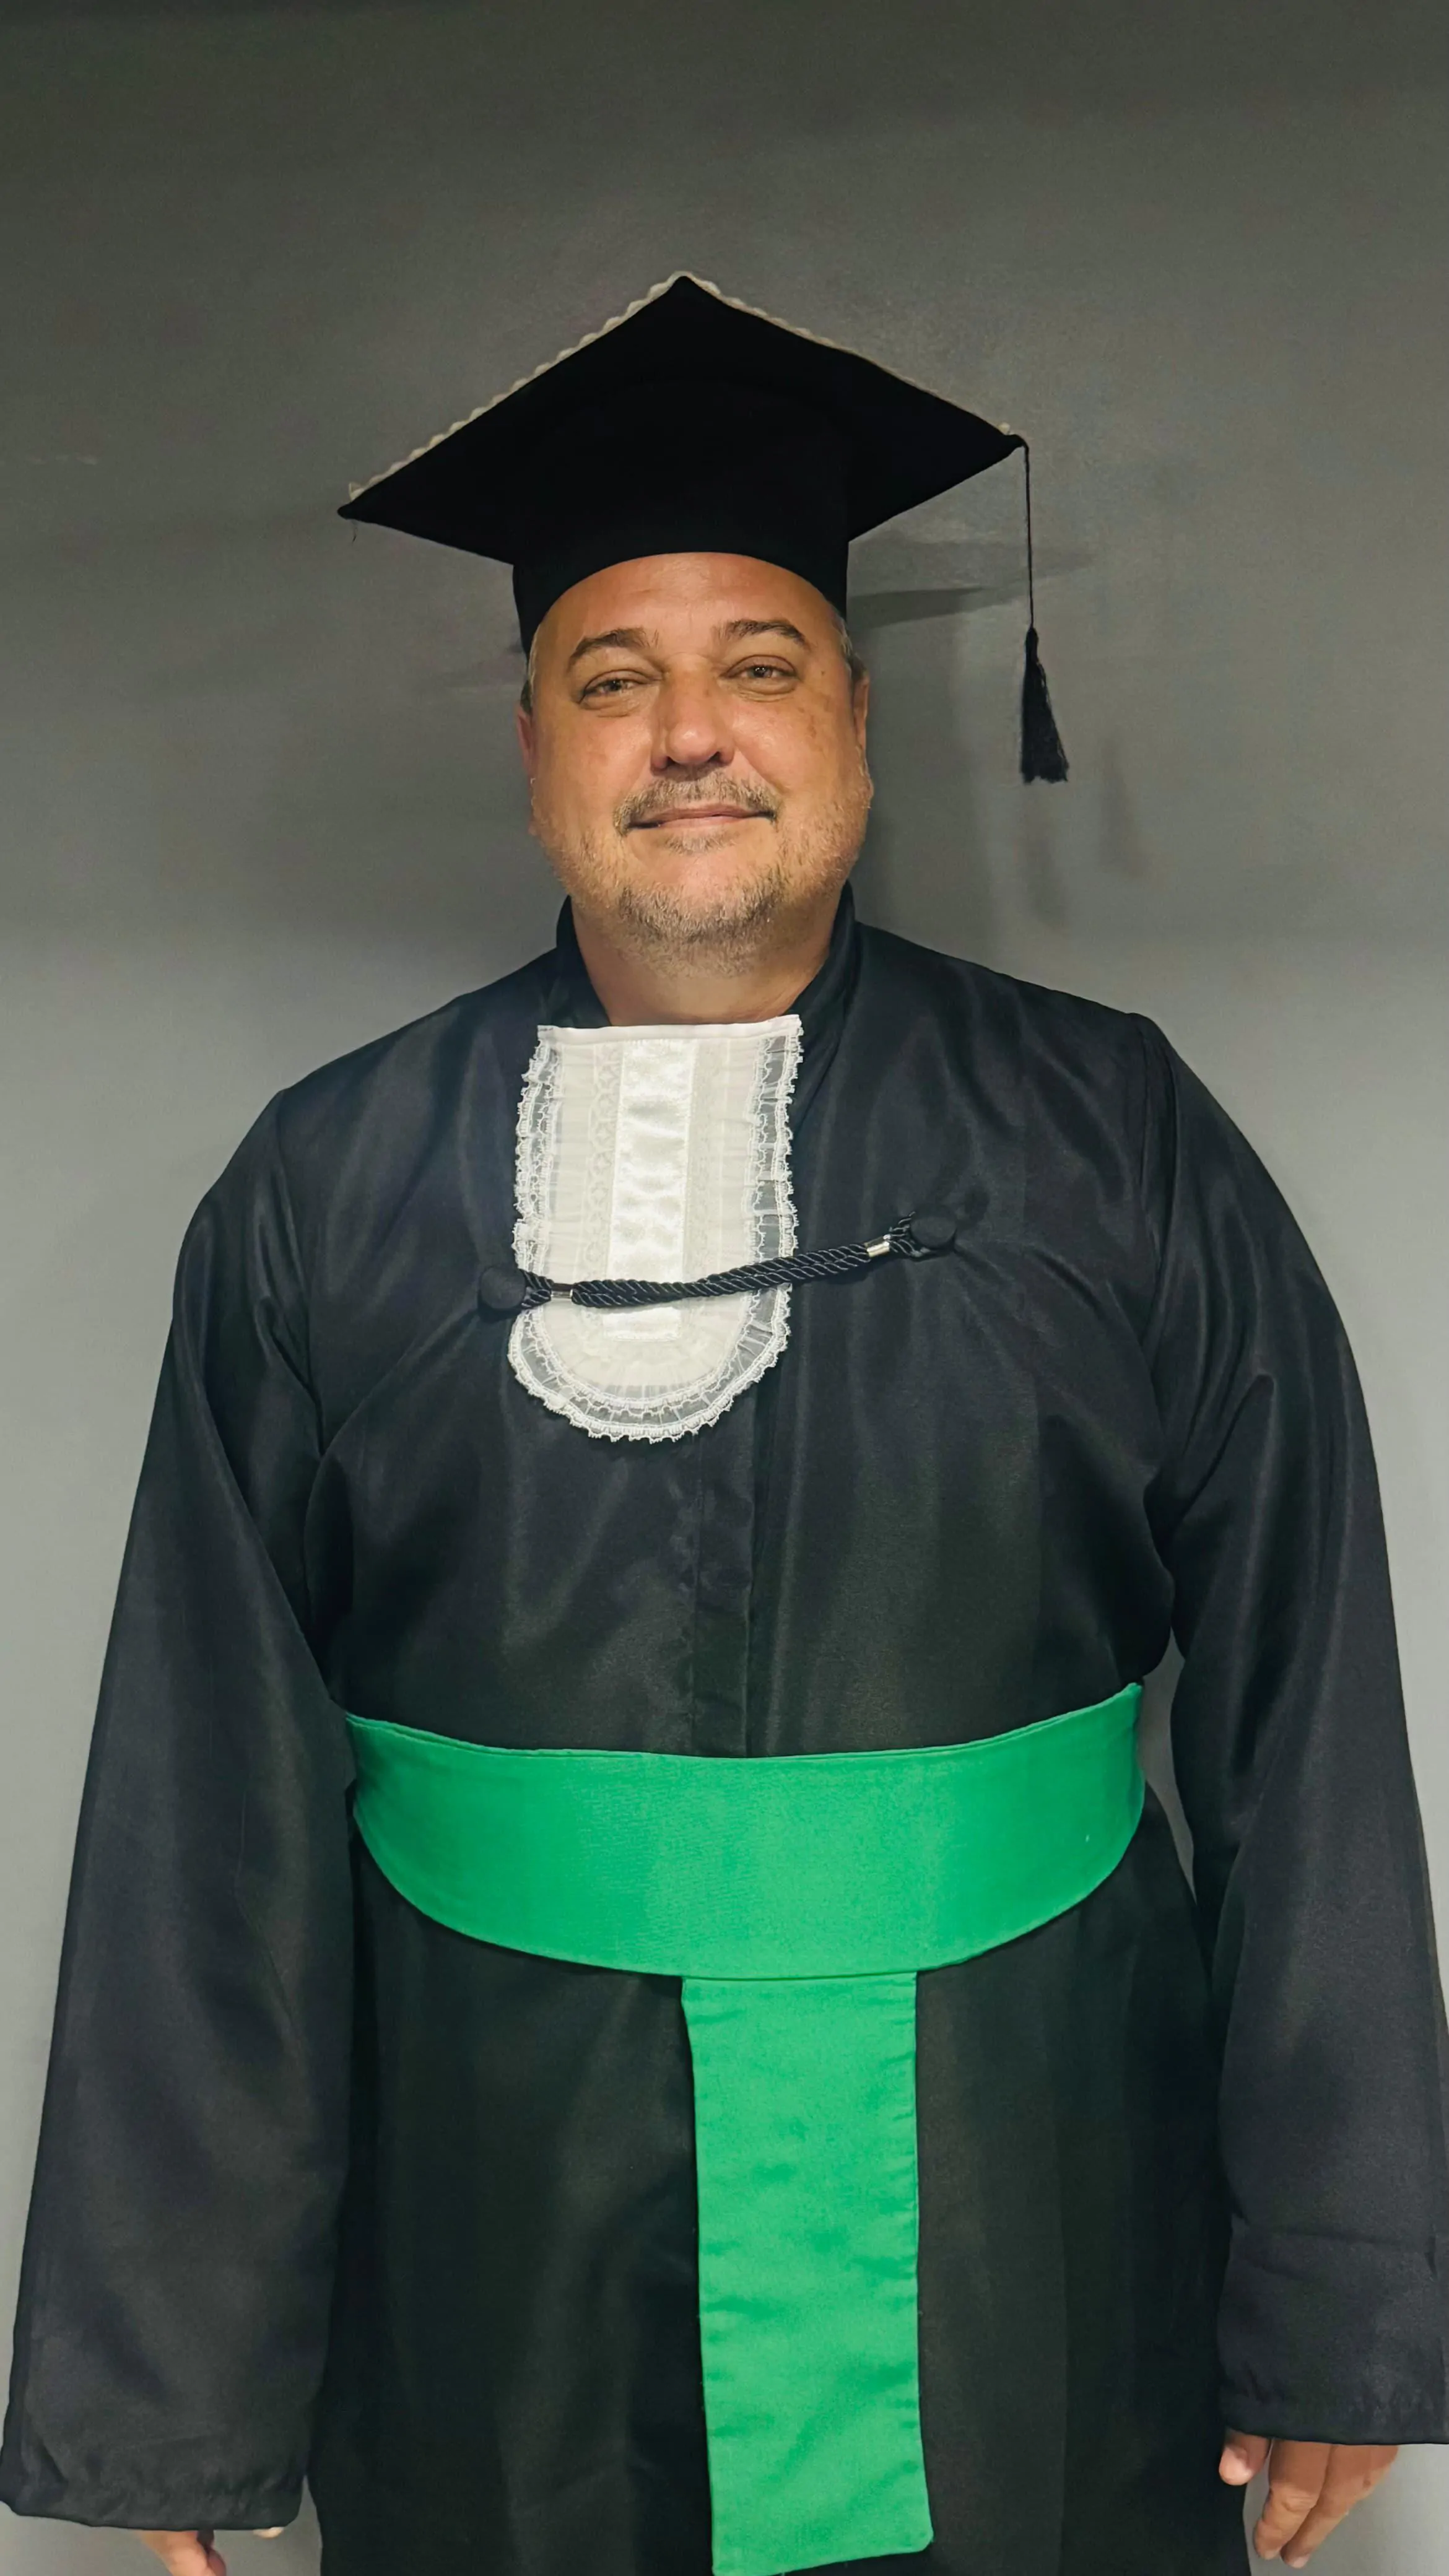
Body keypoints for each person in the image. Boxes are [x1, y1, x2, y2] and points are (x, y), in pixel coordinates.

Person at [2, 274, 1445, 2576]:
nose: (689, 734)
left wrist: (1339, 2304)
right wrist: (173, 2389)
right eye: (612, 680)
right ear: (533, 747)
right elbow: (209, 1807)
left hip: (1027, 2215)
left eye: (757, 667)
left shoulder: (1117, 1138)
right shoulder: (321, 1185)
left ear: (855, 723)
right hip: (489, 2248)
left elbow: (1304, 1719)